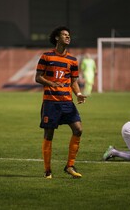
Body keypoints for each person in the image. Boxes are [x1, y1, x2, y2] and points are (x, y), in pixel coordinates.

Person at [35, 26, 87, 179]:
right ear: (57, 38)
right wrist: (51, 84)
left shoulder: (72, 60)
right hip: (51, 102)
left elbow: (73, 81)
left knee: (78, 129)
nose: (67, 37)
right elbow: (38, 77)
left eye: (69, 35)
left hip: (67, 102)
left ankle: (69, 166)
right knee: (49, 134)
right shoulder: (46, 57)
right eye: (64, 35)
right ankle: (47, 171)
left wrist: (78, 93)